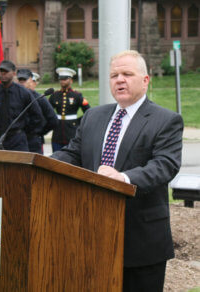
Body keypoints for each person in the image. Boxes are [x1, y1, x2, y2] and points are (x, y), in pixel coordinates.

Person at [51, 50, 184, 292]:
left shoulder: (166, 120)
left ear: (145, 80)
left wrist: (123, 178)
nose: (119, 80)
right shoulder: (93, 116)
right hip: (91, 235)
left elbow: (165, 165)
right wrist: (41, 162)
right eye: (114, 75)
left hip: (141, 239)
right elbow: (73, 154)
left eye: (127, 74)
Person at [0, 60, 45, 151]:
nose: (3, 74)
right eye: (1, 71)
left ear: (13, 73)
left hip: (17, 140)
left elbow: (37, 116)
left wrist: (26, 132)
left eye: (6, 72)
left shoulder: (23, 93)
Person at [17, 68, 58, 154]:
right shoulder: (14, 97)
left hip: (33, 141)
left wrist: (40, 132)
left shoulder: (39, 98)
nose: (22, 82)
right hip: (17, 141)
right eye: (20, 80)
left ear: (31, 80)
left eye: (24, 80)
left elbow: (53, 119)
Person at [49, 67, 90, 152]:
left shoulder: (76, 95)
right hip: (57, 132)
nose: (62, 81)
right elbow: (47, 111)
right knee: (56, 157)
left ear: (71, 80)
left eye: (65, 79)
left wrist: (78, 122)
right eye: (60, 79)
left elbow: (88, 111)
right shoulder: (55, 95)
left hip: (72, 131)